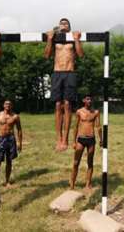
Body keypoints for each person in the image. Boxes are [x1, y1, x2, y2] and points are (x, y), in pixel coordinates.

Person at [44, 18, 84, 151]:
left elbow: (81, 55)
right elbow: (47, 55)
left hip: (70, 73)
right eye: (61, 23)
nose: (63, 25)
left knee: (67, 105)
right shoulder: (55, 38)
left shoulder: (73, 37)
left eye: (66, 23)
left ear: (69, 26)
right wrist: (50, 39)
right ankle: (59, 139)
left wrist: (77, 39)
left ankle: (65, 139)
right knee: (57, 105)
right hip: (57, 73)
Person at [70, 95, 102, 190]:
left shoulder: (96, 112)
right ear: (83, 100)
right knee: (76, 162)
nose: (89, 100)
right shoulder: (79, 112)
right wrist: (74, 142)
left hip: (91, 139)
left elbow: (98, 127)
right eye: (87, 99)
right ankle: (72, 184)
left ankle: (88, 184)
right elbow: (75, 127)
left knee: (90, 162)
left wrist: (101, 139)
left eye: (91, 99)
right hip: (81, 139)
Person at [0, 100, 22, 188]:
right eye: (6, 104)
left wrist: (19, 142)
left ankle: (7, 181)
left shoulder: (15, 116)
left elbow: (19, 130)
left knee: (9, 161)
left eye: (9, 104)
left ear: (12, 106)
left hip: (11, 139)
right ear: (3, 105)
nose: (8, 105)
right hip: (0, 139)